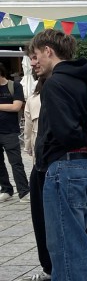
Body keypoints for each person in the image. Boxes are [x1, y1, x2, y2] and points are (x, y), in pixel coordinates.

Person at [32, 29, 87, 281]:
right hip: (83, 166)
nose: (34, 62)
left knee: (68, 240)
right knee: (69, 238)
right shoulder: (85, 79)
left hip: (65, 167)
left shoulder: (56, 83)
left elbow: (64, 131)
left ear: (49, 51)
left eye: (36, 55)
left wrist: (81, 142)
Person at [0, 63, 30, 202]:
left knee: (16, 162)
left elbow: (16, 106)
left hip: (10, 131)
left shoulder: (15, 86)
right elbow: (10, 106)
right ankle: (6, 189)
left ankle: (24, 192)